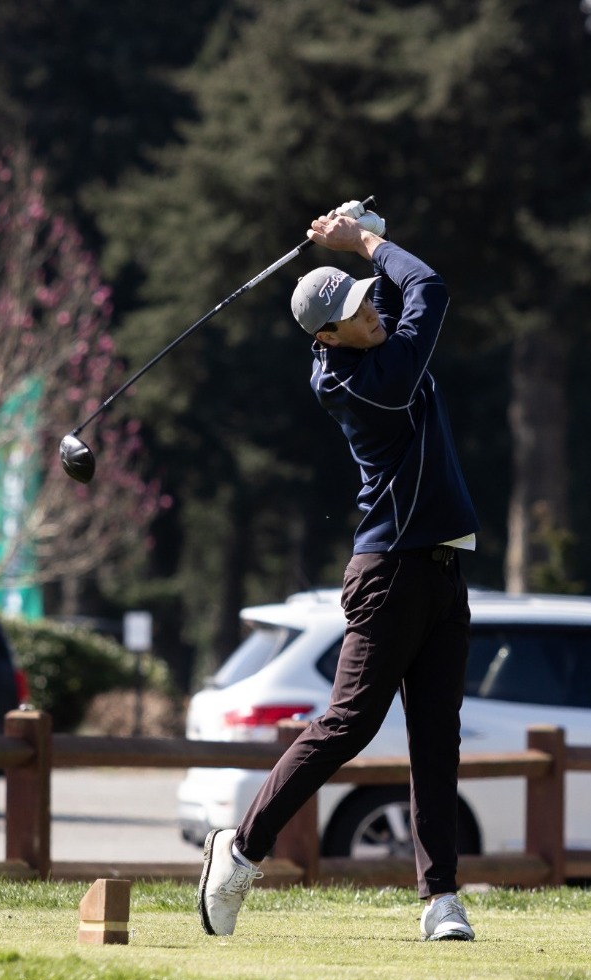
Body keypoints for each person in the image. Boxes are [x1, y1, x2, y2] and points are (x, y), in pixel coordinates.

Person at [198, 204, 480, 942]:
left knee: (435, 739)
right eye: (353, 312)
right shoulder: (364, 383)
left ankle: (440, 899)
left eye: (363, 298)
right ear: (328, 337)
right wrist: (370, 242)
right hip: (390, 573)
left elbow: (390, 295)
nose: (369, 313)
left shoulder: (368, 339)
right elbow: (431, 289)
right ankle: (240, 851)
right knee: (347, 725)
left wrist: (364, 228)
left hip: (444, 566)